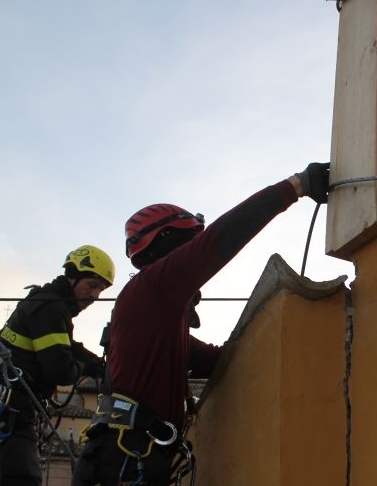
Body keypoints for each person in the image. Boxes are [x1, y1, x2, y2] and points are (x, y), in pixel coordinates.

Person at [72, 163, 330, 485]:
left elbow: (217, 361)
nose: (193, 256)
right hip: (125, 459)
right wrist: (295, 186)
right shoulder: (154, 286)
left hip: (127, 456)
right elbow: (218, 241)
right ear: (166, 242)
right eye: (188, 244)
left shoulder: (160, 318)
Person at [0, 245, 115, 486]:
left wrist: (97, 364)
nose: (95, 295)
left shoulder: (48, 304)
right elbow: (60, 370)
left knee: (5, 477)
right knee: (22, 479)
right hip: (9, 403)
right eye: (91, 285)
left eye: (100, 289)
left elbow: (68, 346)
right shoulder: (51, 308)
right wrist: (83, 367)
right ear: (72, 276)